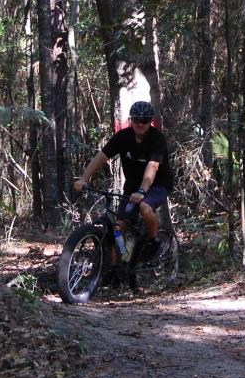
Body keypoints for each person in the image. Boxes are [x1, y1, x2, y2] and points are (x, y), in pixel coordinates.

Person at [73, 101, 174, 269]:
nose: (140, 124)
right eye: (136, 120)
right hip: (132, 186)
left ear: (151, 121)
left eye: (144, 121)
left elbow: (153, 166)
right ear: (131, 120)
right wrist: (84, 178)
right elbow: (101, 157)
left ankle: (153, 241)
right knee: (119, 227)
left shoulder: (157, 138)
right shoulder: (123, 137)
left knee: (145, 207)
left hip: (158, 184)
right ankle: (117, 269)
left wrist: (142, 191)